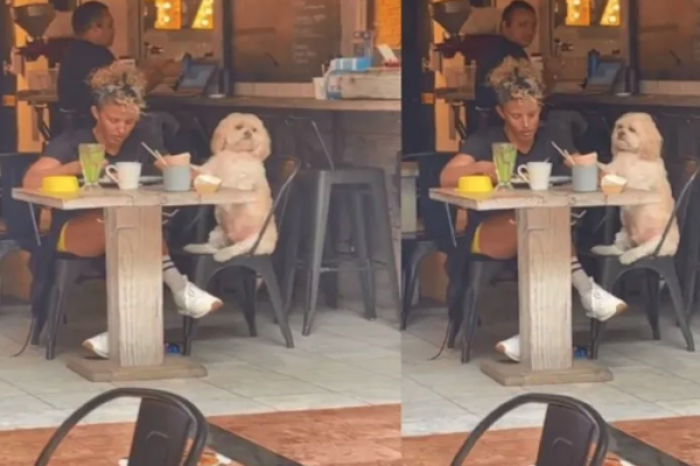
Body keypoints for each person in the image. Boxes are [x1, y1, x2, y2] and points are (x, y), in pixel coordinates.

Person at [25, 62, 221, 359]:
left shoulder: (142, 138)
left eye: (128, 122)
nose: (121, 129)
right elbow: (31, 180)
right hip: (75, 232)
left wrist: (196, 177)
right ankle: (180, 288)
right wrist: (76, 167)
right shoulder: (74, 142)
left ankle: (118, 335)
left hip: (130, 229)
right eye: (114, 120)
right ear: (96, 114)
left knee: (136, 223)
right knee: (129, 223)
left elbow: (168, 166)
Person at [440, 58, 627, 362]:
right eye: (516, 116)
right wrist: (478, 168)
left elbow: (585, 169)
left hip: (541, 229)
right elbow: (446, 176)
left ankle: (528, 338)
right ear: (502, 113)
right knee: (539, 225)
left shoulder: (553, 136)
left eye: (532, 114)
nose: (526, 124)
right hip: (488, 233)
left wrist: (588, 168)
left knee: (546, 226)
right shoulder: (486, 140)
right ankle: (587, 291)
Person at [57, 1, 175, 128]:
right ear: (96, 26)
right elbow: (127, 95)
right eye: (110, 26)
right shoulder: (97, 55)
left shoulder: (72, 52)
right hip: (99, 130)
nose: (113, 31)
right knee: (171, 121)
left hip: (78, 129)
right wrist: (160, 74)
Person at [472, 0, 537, 128]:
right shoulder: (508, 54)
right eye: (523, 25)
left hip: (493, 126)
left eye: (533, 25)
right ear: (505, 26)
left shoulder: (499, 48)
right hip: (503, 129)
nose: (530, 31)